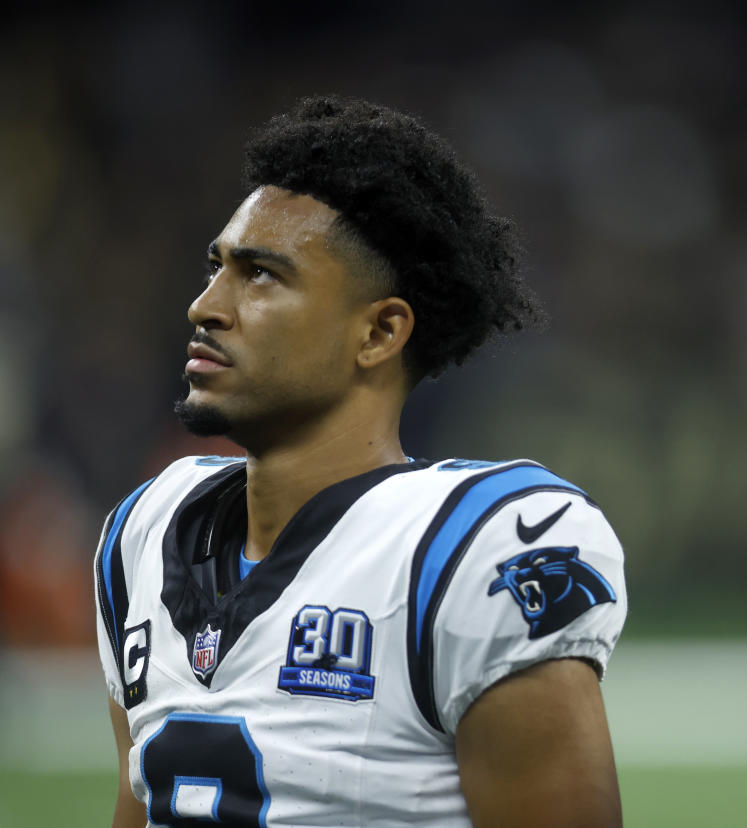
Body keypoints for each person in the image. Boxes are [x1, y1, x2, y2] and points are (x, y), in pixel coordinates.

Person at [93, 96, 626, 828]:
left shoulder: (469, 550)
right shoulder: (142, 534)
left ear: (380, 331)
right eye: (215, 267)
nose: (206, 305)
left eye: (261, 275)